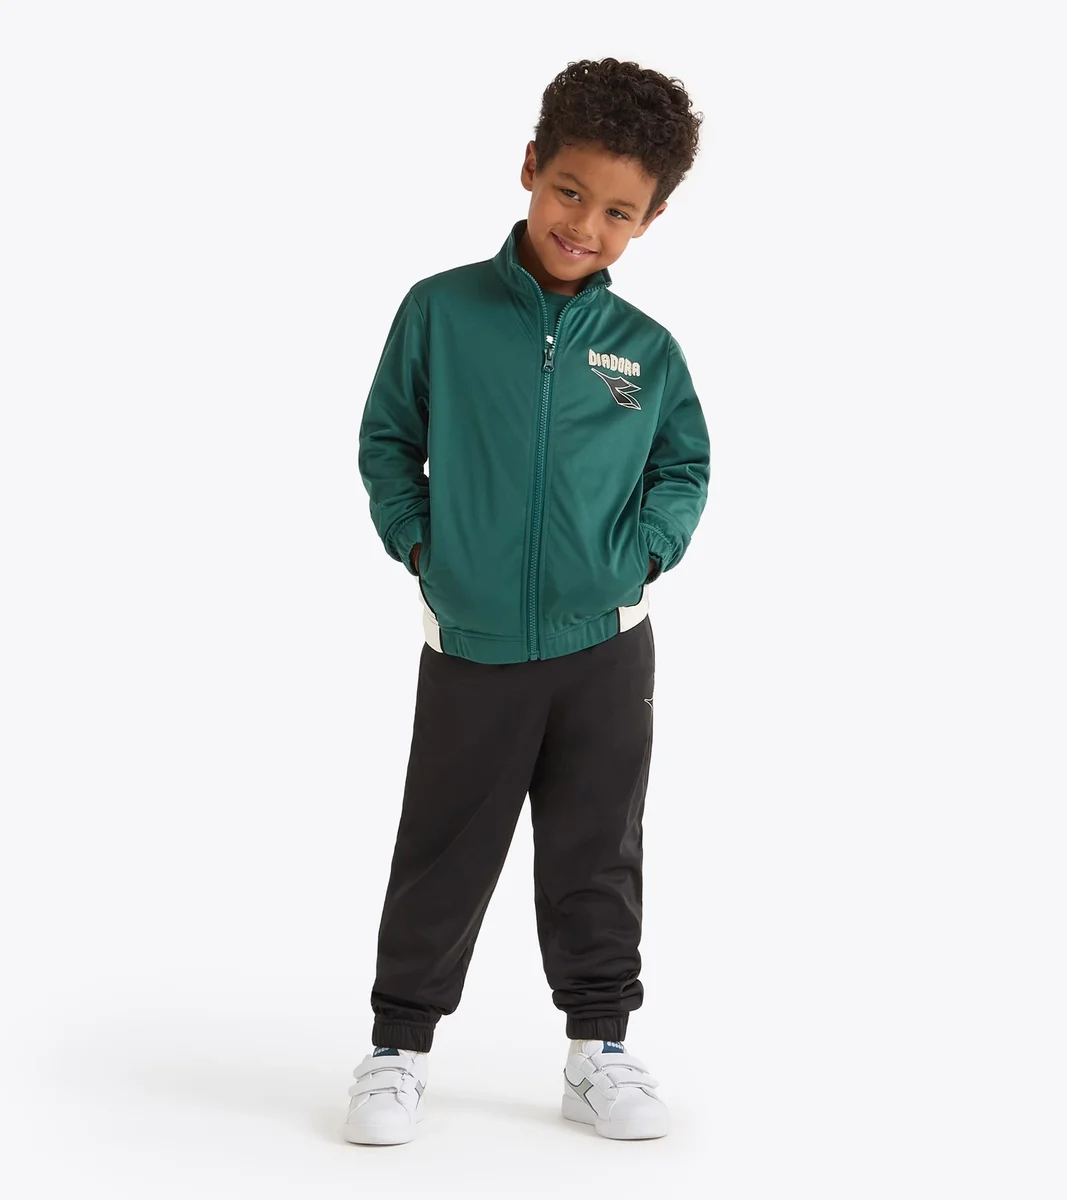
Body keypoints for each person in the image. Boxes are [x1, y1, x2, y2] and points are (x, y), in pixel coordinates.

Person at [345, 57, 710, 1145]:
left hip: (604, 647)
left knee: (596, 849)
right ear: (529, 167)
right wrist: (424, 546)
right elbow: (387, 441)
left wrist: (642, 556)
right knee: (443, 847)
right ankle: (397, 1048)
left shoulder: (644, 352)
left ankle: (599, 1049)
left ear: (648, 221)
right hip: (473, 642)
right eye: (568, 191)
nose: (582, 225)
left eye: (616, 212)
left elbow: (683, 466)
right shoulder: (440, 311)